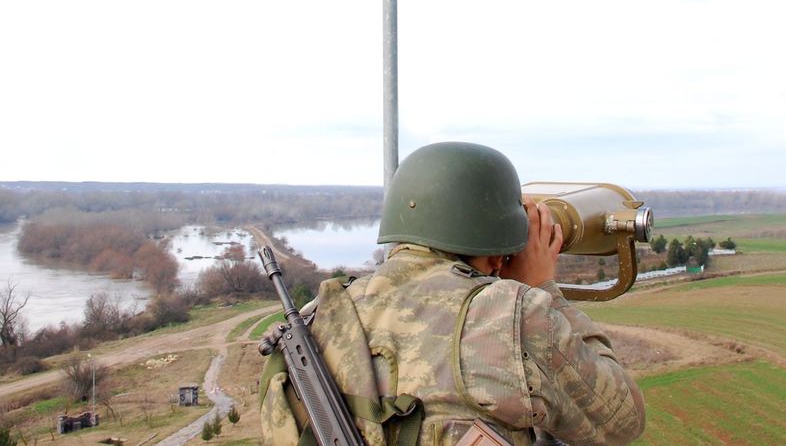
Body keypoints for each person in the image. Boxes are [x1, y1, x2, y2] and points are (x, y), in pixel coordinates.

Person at [260, 142, 645, 446]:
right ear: (491, 240)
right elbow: (621, 420)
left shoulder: (314, 319)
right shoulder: (511, 317)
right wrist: (543, 290)